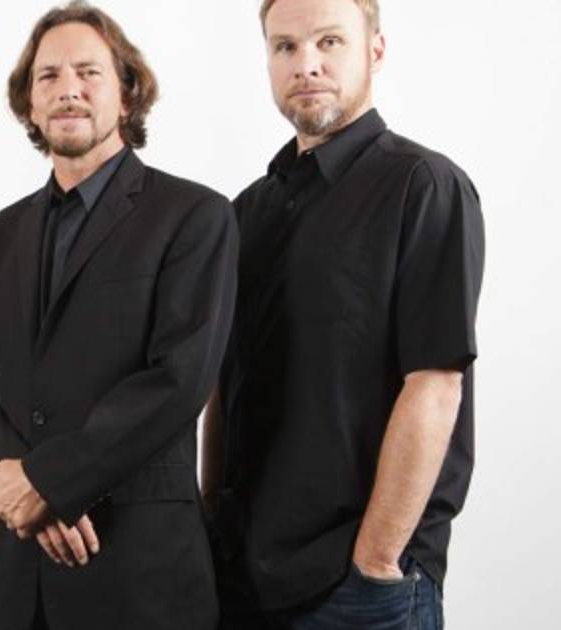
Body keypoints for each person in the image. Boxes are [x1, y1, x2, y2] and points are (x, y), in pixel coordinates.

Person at [0, 2, 237, 628]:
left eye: (88, 72)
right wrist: (17, 487)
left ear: (127, 95)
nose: (67, 89)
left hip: (136, 569)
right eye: (48, 76)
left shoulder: (195, 217)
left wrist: (49, 482)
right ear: (29, 103)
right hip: (22, 570)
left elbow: (179, 379)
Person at [202, 1, 485, 628]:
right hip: (241, 575)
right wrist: (210, 514)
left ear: (375, 51)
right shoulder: (247, 210)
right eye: (285, 47)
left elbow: (436, 385)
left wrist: (377, 560)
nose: (306, 65)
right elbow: (225, 382)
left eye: (329, 42)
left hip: (356, 586)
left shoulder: (423, 185)